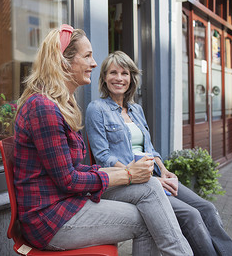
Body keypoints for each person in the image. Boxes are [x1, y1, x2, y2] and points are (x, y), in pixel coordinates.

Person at [14, 25, 193, 255]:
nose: (94, 63)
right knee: (148, 217)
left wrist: (125, 172)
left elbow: (76, 169)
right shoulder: (43, 107)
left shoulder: (60, 105)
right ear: (64, 61)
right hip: (51, 219)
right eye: (87, 56)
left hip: (67, 204)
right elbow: (68, 180)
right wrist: (126, 175)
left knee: (148, 188)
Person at [85, 50, 232, 256]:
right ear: (104, 77)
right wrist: (136, 173)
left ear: (131, 78)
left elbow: (149, 149)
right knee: (191, 215)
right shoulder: (97, 108)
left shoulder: (136, 110)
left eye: (124, 73)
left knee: (207, 208)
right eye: (113, 73)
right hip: (126, 181)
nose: (119, 78)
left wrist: (164, 171)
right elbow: (103, 156)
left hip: (153, 175)